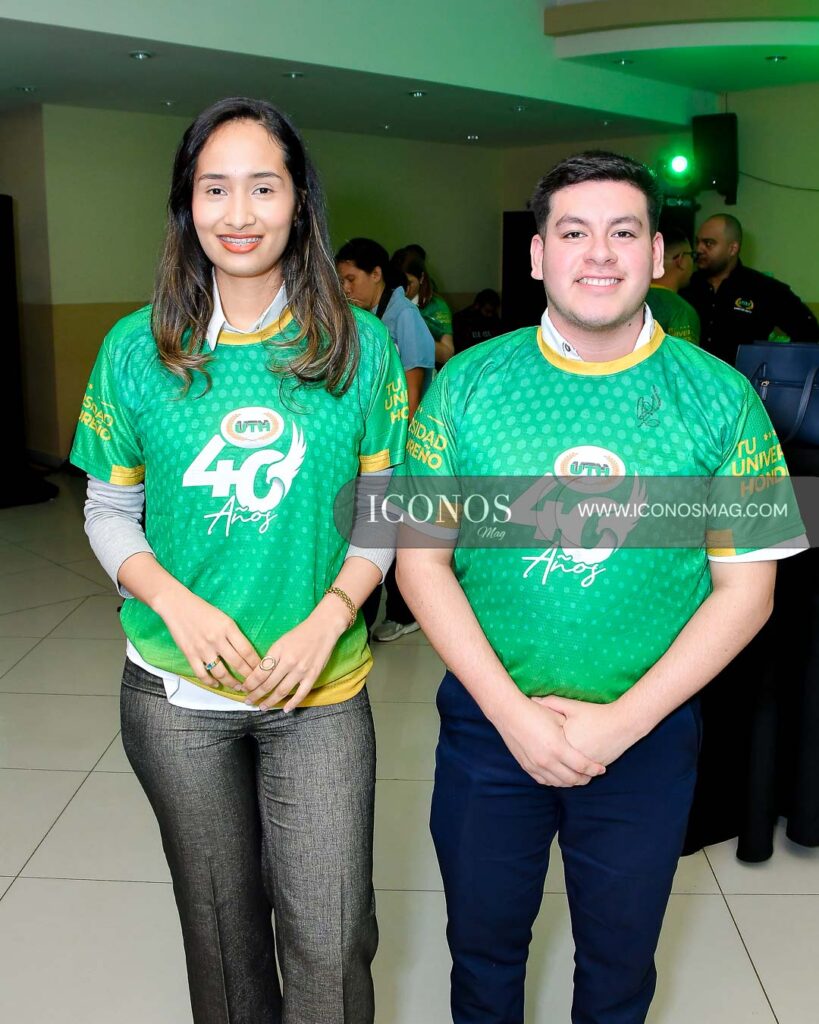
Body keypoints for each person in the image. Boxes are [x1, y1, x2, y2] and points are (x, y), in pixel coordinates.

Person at [394, 151, 806, 1023]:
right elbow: (417, 561)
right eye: (571, 232)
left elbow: (748, 591)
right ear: (537, 255)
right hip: (486, 729)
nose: (598, 253)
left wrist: (619, 724)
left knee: (619, 971)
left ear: (658, 254)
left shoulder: (722, 398)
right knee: (482, 957)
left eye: (623, 232)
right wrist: (514, 717)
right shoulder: (466, 387)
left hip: (645, 736)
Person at [70, 97, 410, 1024]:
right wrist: (174, 603)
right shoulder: (137, 348)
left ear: (299, 201)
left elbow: (383, 513)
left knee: (334, 942)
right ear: (187, 203)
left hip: (322, 691)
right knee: (222, 943)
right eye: (215, 188)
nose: (239, 212)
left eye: (264, 186)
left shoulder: (358, 344)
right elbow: (109, 512)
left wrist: (331, 615)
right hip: (178, 696)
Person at [336, 238, 434, 642]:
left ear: (377, 274)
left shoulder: (402, 316)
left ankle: (401, 612)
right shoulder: (368, 317)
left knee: (395, 529)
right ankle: (361, 610)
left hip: (402, 444)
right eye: (340, 280)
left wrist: (399, 448)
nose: (345, 289)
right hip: (376, 444)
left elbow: (412, 384)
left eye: (351, 279)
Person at [681, 213, 819, 362]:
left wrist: (779, 366)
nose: (699, 249)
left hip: (743, 381)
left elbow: (808, 331)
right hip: (689, 381)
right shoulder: (686, 286)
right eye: (697, 242)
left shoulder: (763, 289)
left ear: (732, 248)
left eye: (709, 243)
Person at [392, 246, 454, 365]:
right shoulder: (386, 302)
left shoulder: (437, 306)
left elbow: (447, 354)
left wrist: (414, 336)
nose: (403, 289)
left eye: (409, 282)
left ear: (421, 278)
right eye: (398, 282)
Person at [645, 226, 700, 345]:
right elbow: (685, 361)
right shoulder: (681, 311)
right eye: (692, 255)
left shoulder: (631, 300)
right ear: (680, 260)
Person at [452, 287, 503, 353]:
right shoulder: (461, 319)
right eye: (487, 311)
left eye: (493, 312)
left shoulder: (494, 318)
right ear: (477, 306)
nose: (490, 315)